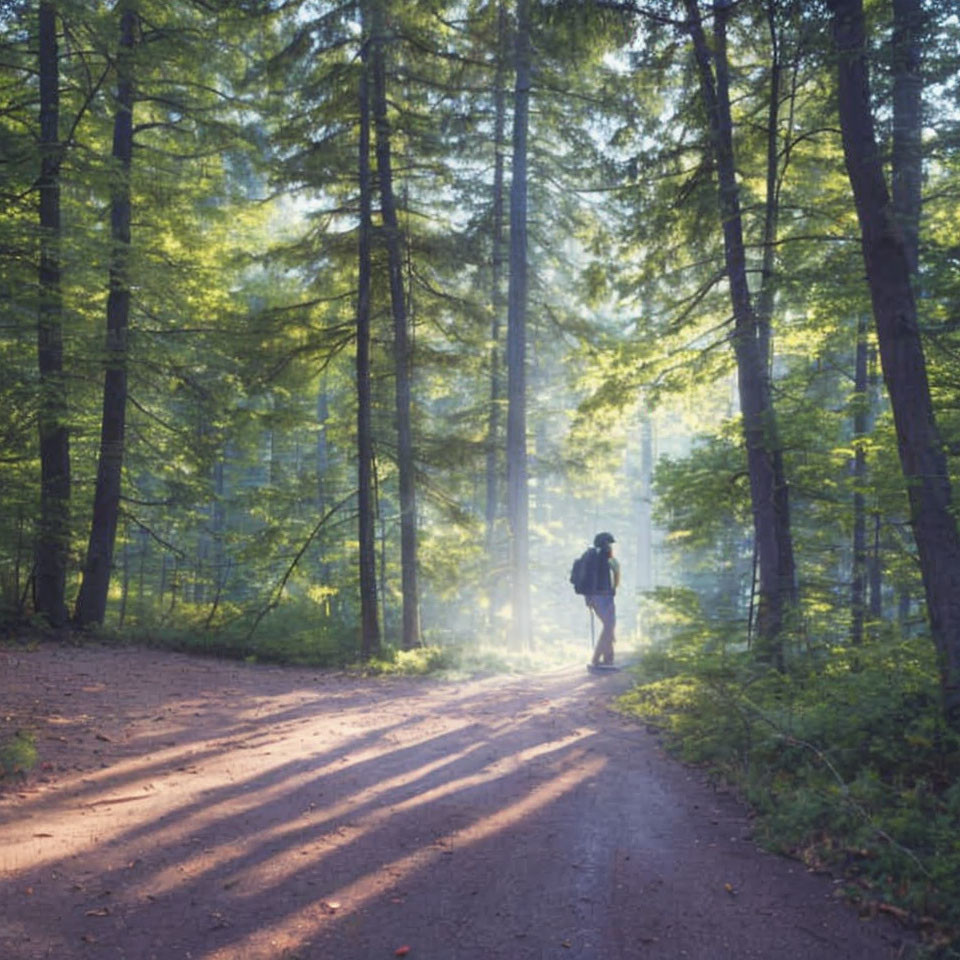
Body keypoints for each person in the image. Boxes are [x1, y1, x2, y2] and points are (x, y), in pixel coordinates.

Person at [587, 532, 620, 667]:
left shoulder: (589, 558)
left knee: (608, 626)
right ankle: (597, 659)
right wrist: (613, 588)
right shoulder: (611, 560)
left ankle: (608, 659)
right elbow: (617, 579)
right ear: (607, 545)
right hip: (606, 597)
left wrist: (589, 599)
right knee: (609, 626)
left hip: (592, 598)